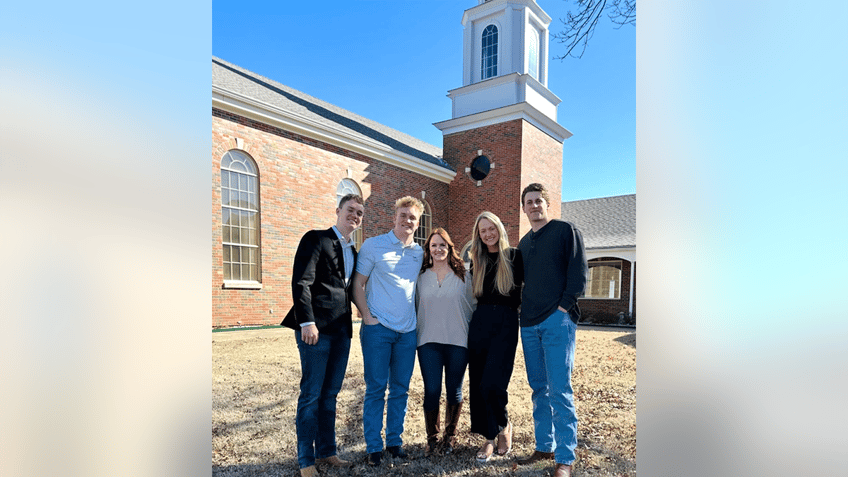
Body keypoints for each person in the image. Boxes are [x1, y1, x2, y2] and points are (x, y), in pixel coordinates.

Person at [281, 193, 365, 477]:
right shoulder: (316, 239)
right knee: (311, 394)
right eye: (351, 210)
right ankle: (306, 460)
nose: (355, 215)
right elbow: (301, 282)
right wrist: (307, 322)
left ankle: (327, 452)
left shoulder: (354, 251)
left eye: (360, 213)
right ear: (338, 211)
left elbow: (351, 289)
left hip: (342, 331)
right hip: (315, 330)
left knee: (330, 395)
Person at [515, 183, 588, 477]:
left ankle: (565, 458)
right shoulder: (523, 243)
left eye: (538, 201)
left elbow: (579, 273)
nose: (534, 206)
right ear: (524, 208)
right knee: (538, 389)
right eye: (529, 202)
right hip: (529, 324)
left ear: (547, 204)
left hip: (557, 320)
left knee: (560, 389)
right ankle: (544, 446)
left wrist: (563, 307)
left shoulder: (564, 231)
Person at [351, 196, 425, 466]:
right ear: (394, 217)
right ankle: (373, 447)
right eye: (403, 215)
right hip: (378, 330)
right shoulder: (373, 245)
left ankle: (394, 442)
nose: (407, 220)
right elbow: (358, 284)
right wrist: (367, 317)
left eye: (413, 217)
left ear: (418, 223)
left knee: (400, 390)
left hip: (407, 333)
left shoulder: (420, 253)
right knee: (375, 389)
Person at [466, 211, 523, 463]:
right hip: (479, 324)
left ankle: (504, 424)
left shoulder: (514, 256)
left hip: (506, 324)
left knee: (494, 383)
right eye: (483, 230)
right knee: (479, 384)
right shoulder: (475, 260)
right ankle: (489, 438)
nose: (488, 234)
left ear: (499, 228)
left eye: (491, 228)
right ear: (478, 235)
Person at [415, 228, 476, 456]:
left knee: (454, 390)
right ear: (428, 250)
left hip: (458, 341)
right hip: (428, 340)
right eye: (434, 245)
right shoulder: (420, 277)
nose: (438, 249)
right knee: (431, 389)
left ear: (450, 248)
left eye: (442, 245)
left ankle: (449, 436)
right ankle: (432, 438)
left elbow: (474, 306)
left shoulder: (463, 275)